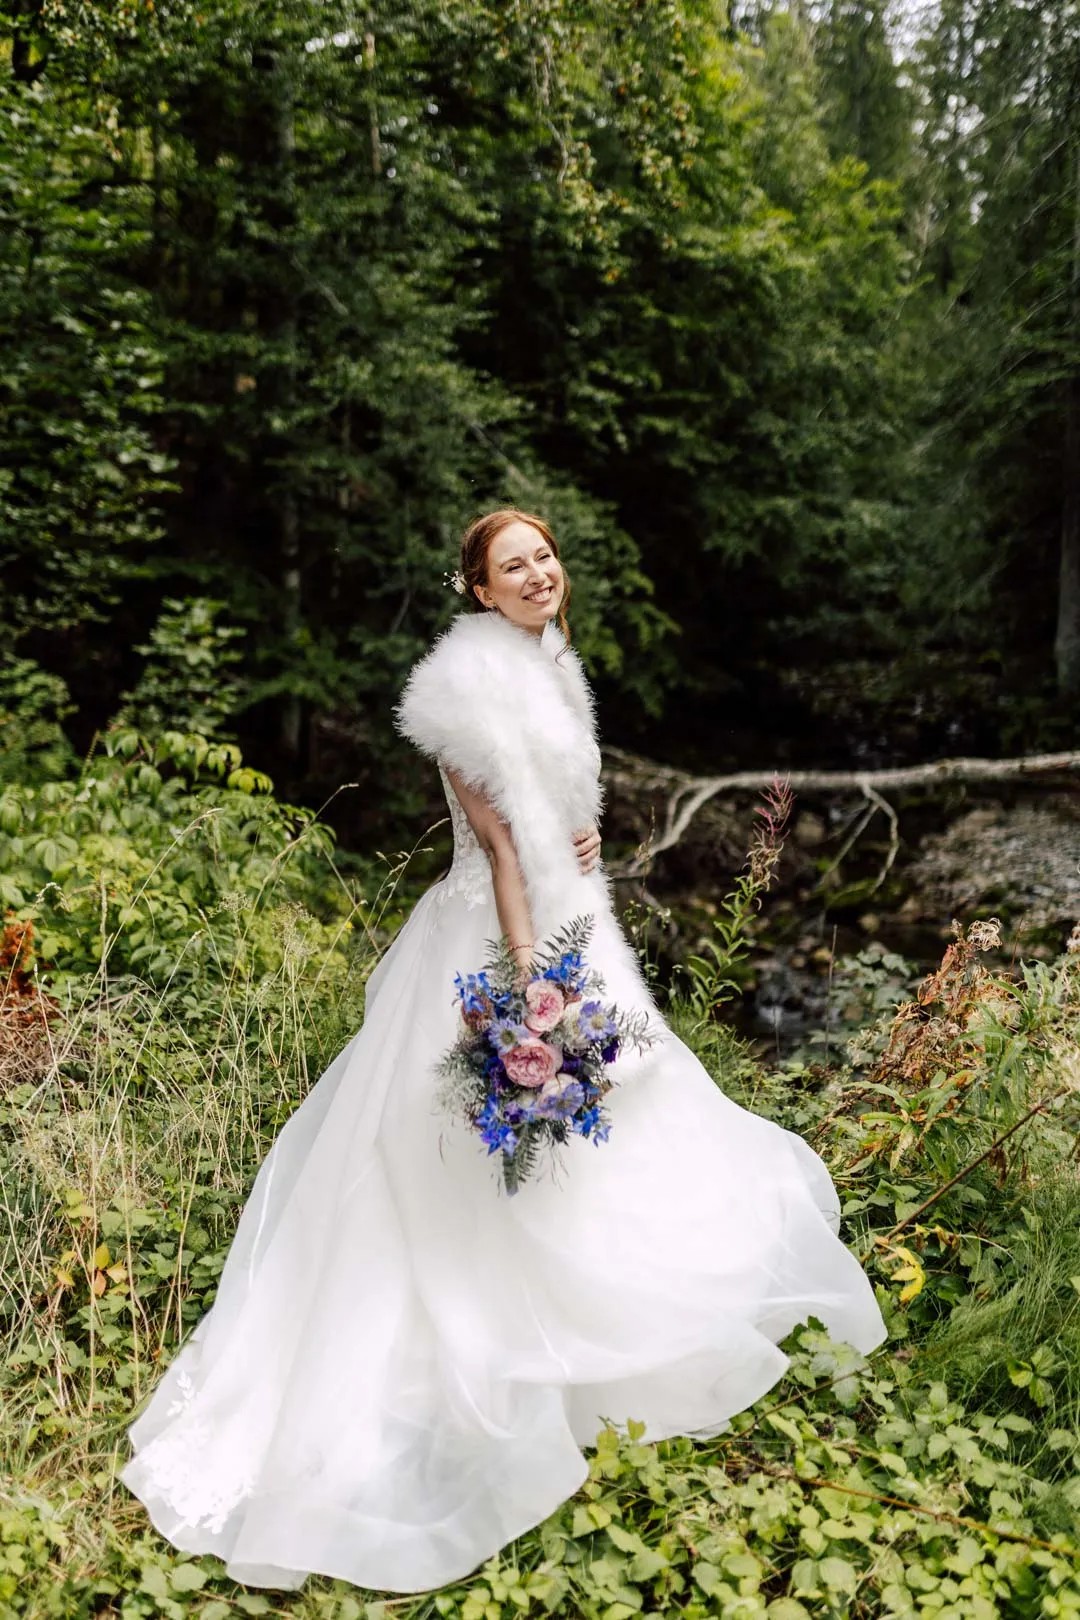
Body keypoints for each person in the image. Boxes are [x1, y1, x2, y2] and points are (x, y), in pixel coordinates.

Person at [119, 507, 887, 1594]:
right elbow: (497, 843)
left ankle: (605, 1318)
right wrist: (533, 980)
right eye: (512, 564)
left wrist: (587, 844)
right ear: (478, 589)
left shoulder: (548, 664)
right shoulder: (464, 690)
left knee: (617, 1122)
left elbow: (555, 817)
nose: (538, 573)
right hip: (508, 933)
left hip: (569, 912)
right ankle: (515, 1344)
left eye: (544, 556)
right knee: (485, 1151)